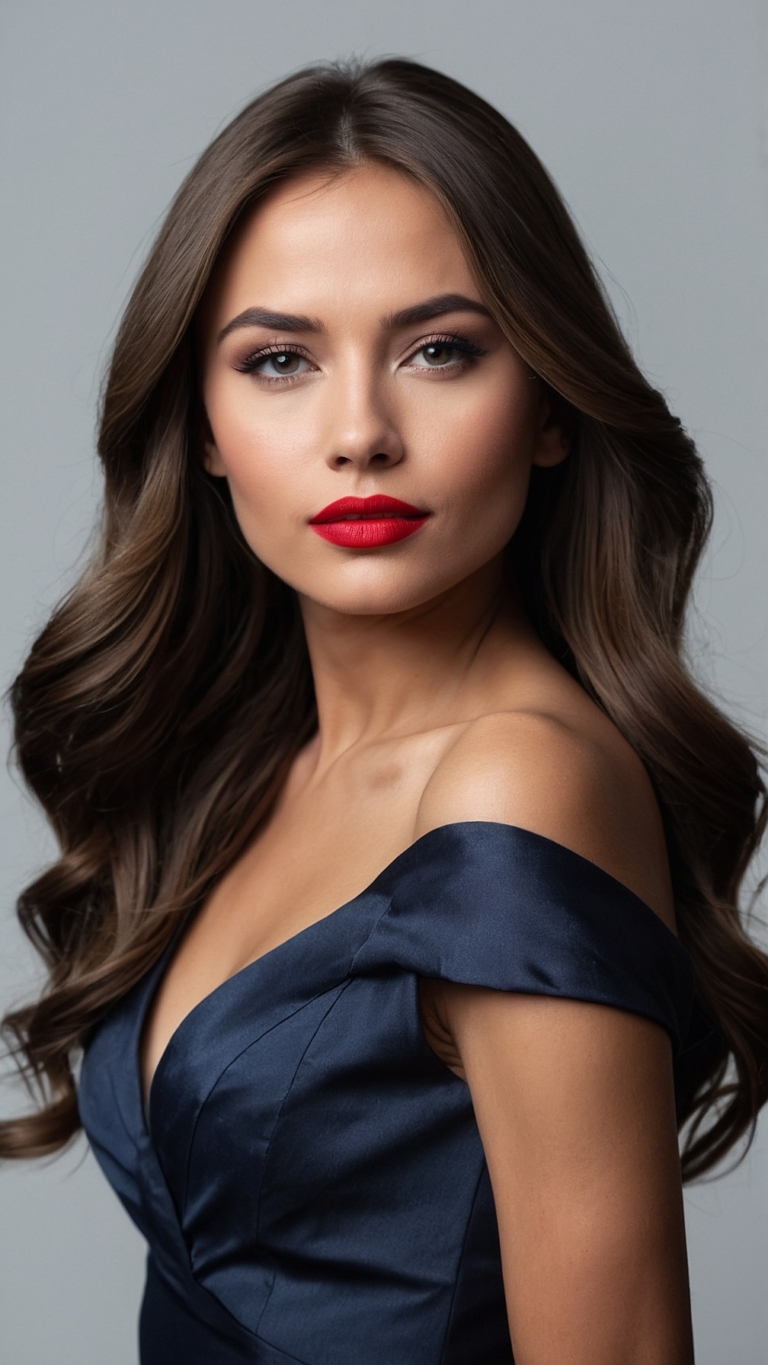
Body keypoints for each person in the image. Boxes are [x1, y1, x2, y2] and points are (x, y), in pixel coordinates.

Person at [1, 57, 767, 1365]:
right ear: (201, 423)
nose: (361, 431)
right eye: (282, 359)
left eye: (439, 350)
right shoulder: (253, 768)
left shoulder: (518, 785)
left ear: (547, 409)